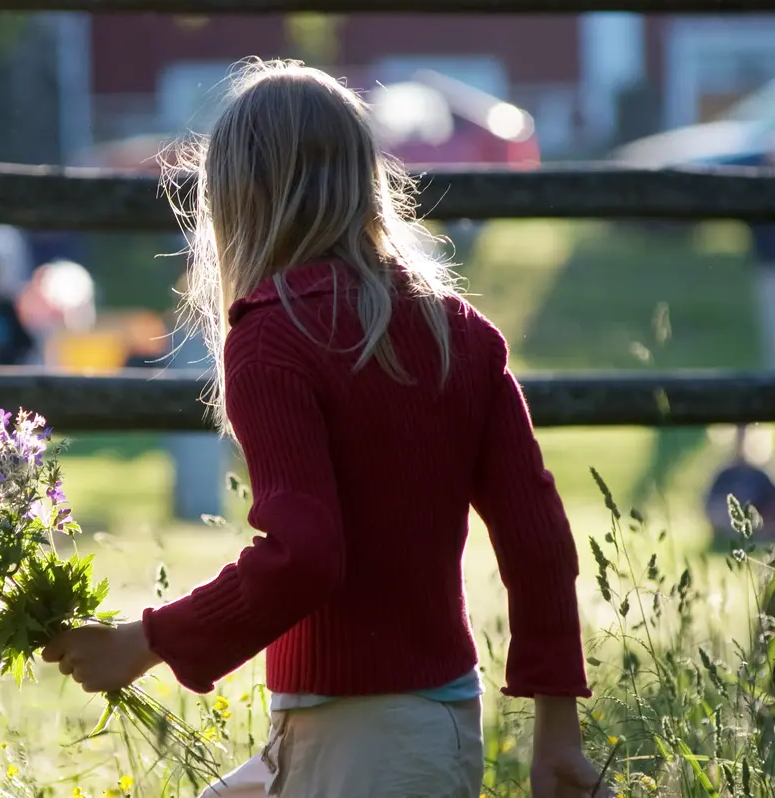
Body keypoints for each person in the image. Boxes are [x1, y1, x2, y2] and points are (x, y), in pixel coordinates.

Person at [41, 59, 607, 798]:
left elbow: (307, 554)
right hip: (433, 724)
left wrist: (145, 642)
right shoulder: (460, 332)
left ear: (233, 198)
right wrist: (556, 730)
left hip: (357, 741)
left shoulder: (273, 337)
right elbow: (538, 543)